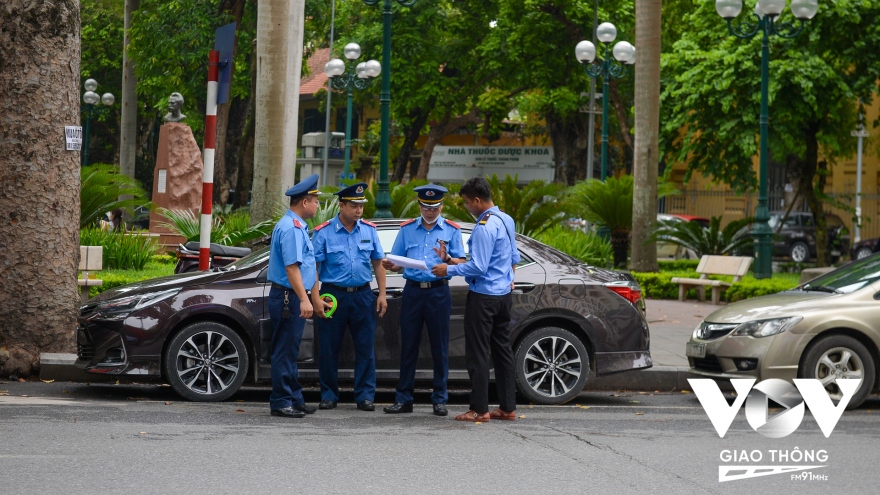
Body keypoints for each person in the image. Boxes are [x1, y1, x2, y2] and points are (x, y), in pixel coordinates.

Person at [431, 176, 520, 423]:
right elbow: (513, 257)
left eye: (468, 203)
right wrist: (450, 259)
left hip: (483, 298)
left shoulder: (483, 227)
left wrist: (446, 270)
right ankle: (507, 407)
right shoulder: (506, 219)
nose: (468, 207)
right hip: (503, 296)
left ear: (478, 200)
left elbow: (478, 267)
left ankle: (479, 409)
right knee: (503, 351)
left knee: (478, 353)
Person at [381, 184, 466, 417]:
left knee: (440, 347)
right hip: (413, 292)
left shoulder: (451, 230)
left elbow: (461, 262)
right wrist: (391, 266)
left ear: (442, 206)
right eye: (426, 207)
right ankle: (404, 398)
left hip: (439, 292)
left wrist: (447, 259)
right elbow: (397, 262)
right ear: (419, 205)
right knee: (408, 345)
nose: (431, 212)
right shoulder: (407, 229)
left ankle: (439, 399)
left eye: (435, 207)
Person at [311, 182, 387, 411]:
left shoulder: (369, 230)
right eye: (354, 205)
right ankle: (329, 394)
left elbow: (379, 263)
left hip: (363, 295)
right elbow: (313, 267)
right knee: (328, 347)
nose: (359, 209)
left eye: (361, 205)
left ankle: (364, 396)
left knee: (365, 347)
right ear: (341, 205)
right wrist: (315, 298)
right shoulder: (323, 232)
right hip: (333, 295)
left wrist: (382, 294)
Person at [266, 174, 321, 418]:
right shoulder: (291, 228)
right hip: (289, 298)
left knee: (291, 349)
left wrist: (313, 296)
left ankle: (294, 398)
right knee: (284, 351)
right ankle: (281, 401)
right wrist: (305, 298)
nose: (318, 206)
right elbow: (292, 268)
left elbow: (308, 267)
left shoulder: (297, 226)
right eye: (316, 201)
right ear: (304, 202)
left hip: (292, 296)